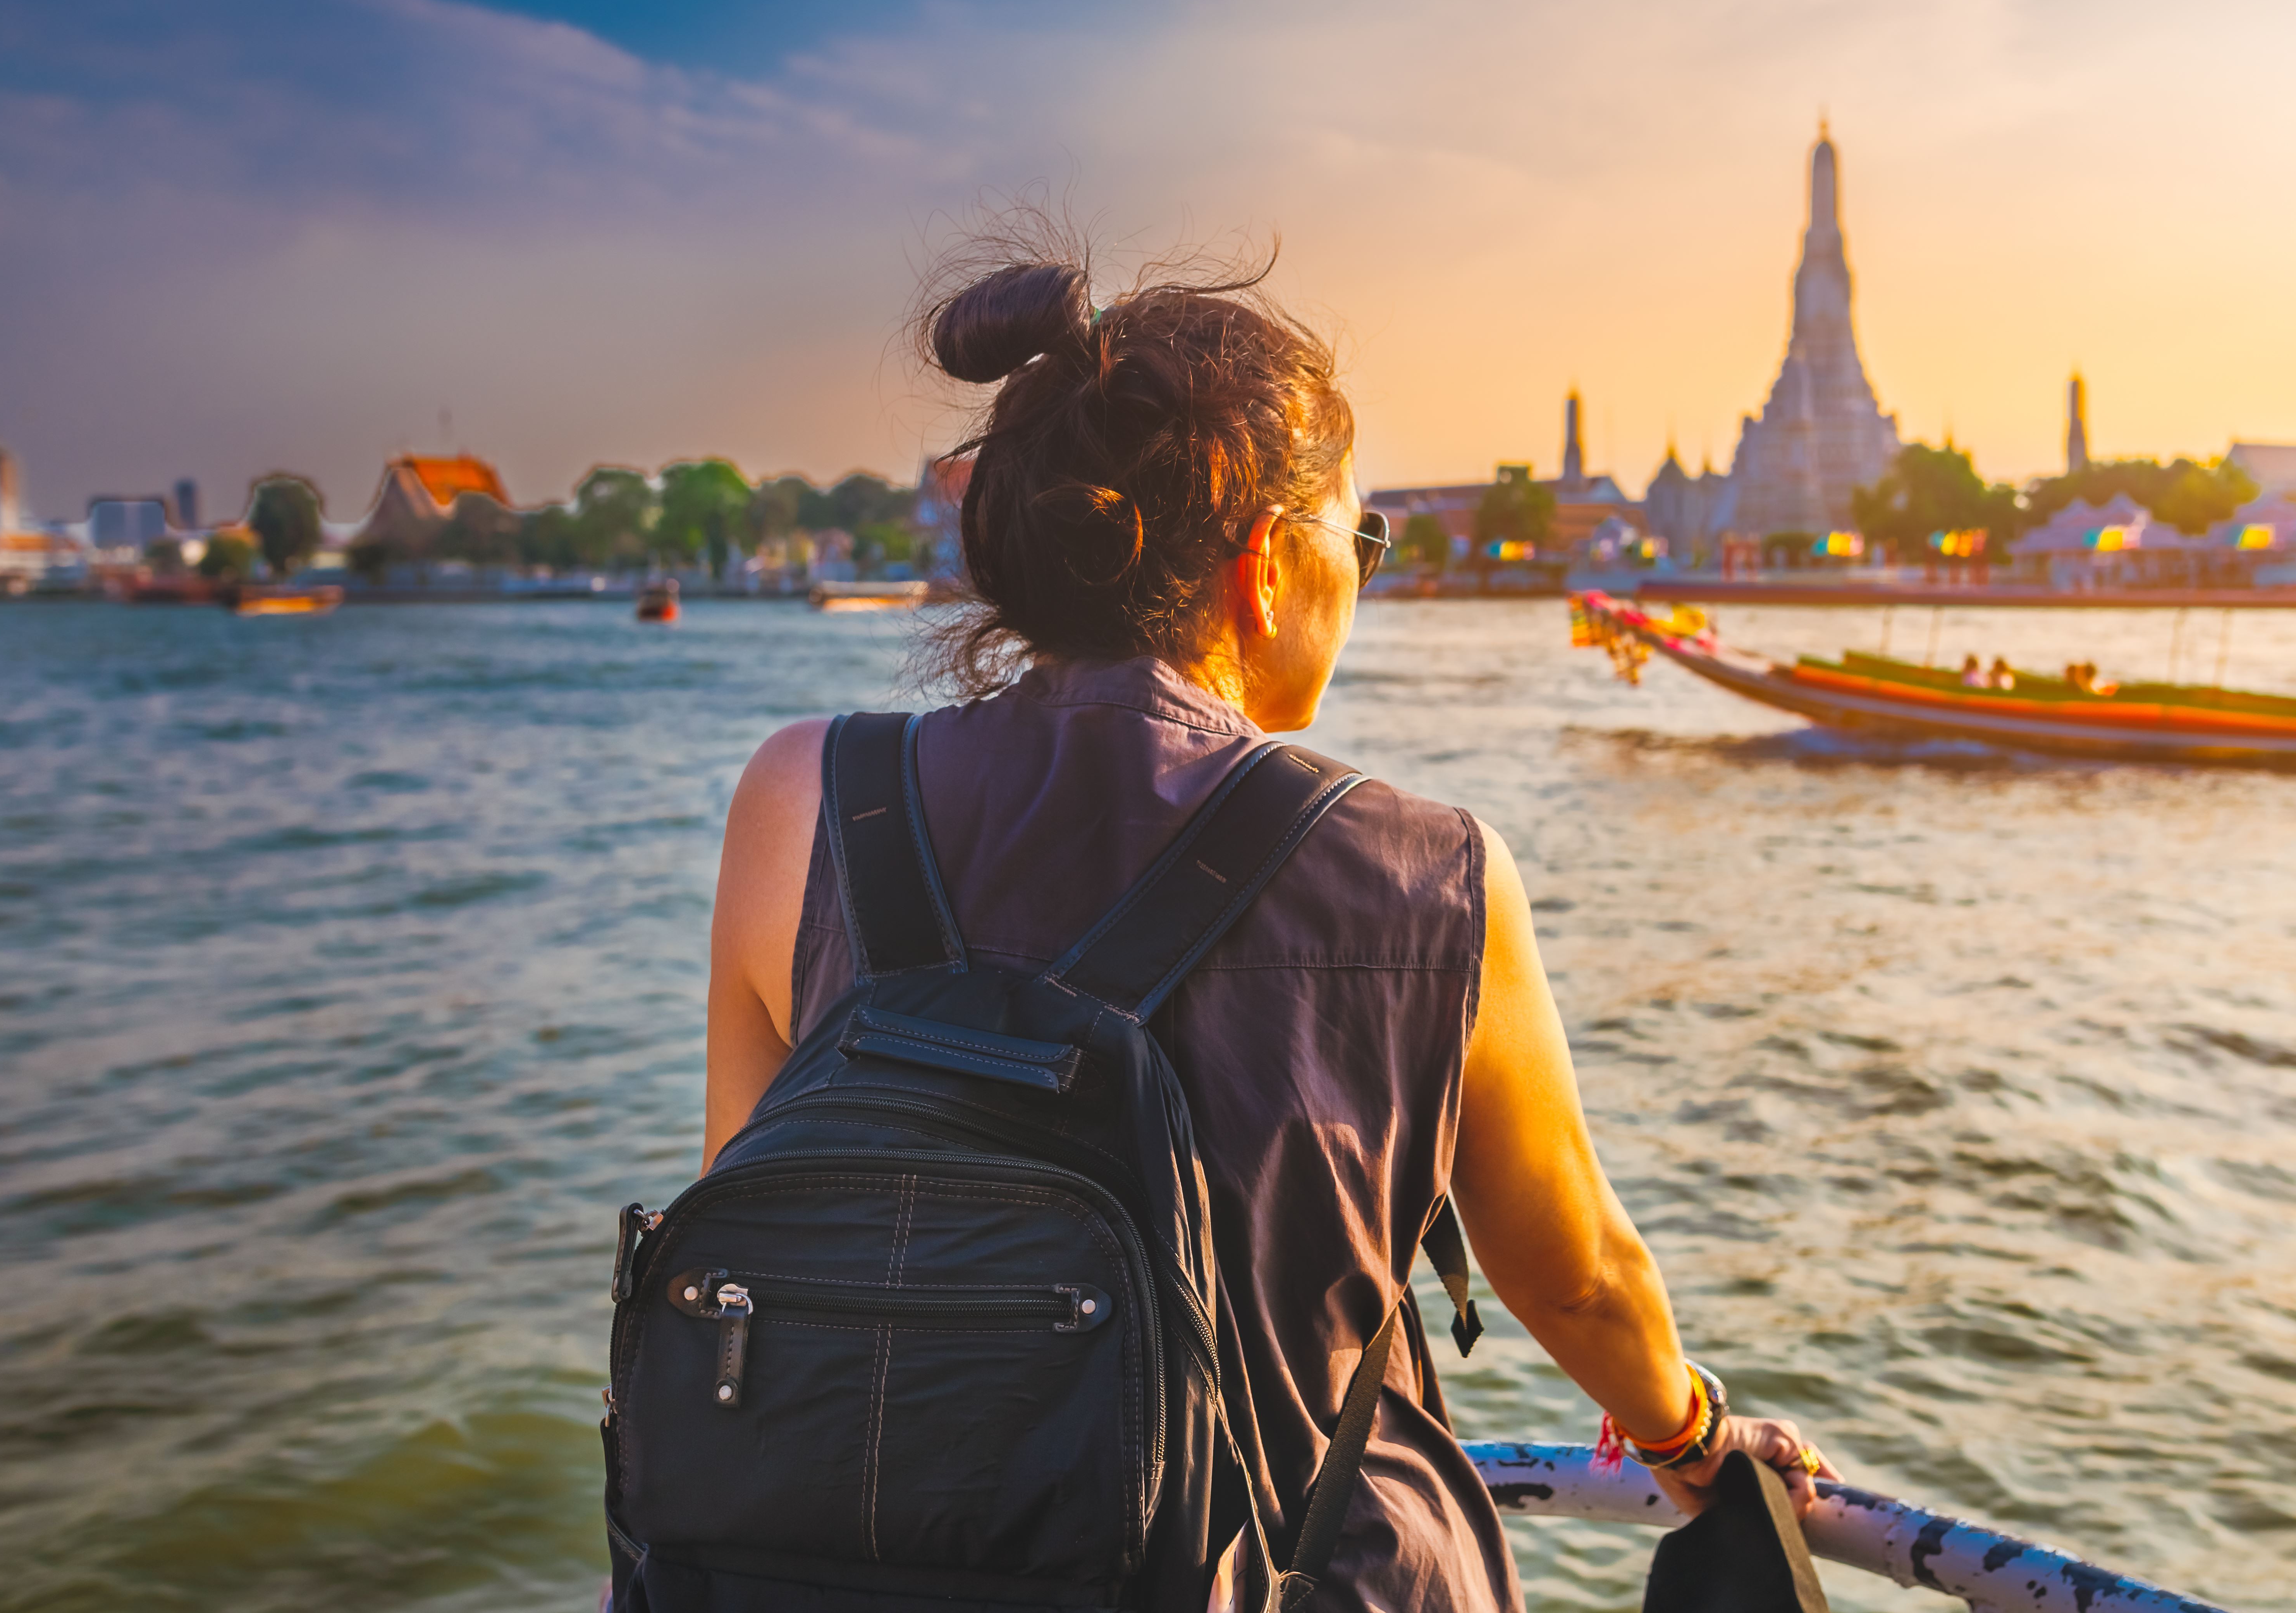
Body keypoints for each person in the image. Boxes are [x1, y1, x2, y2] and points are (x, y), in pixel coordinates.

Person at [700, 244, 1834, 1612]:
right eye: (1356, 540)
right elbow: (1579, 1276)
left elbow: (747, 1221)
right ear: (1264, 569)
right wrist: (1691, 1436)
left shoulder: (798, 799)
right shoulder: (1429, 873)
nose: (1361, 578)